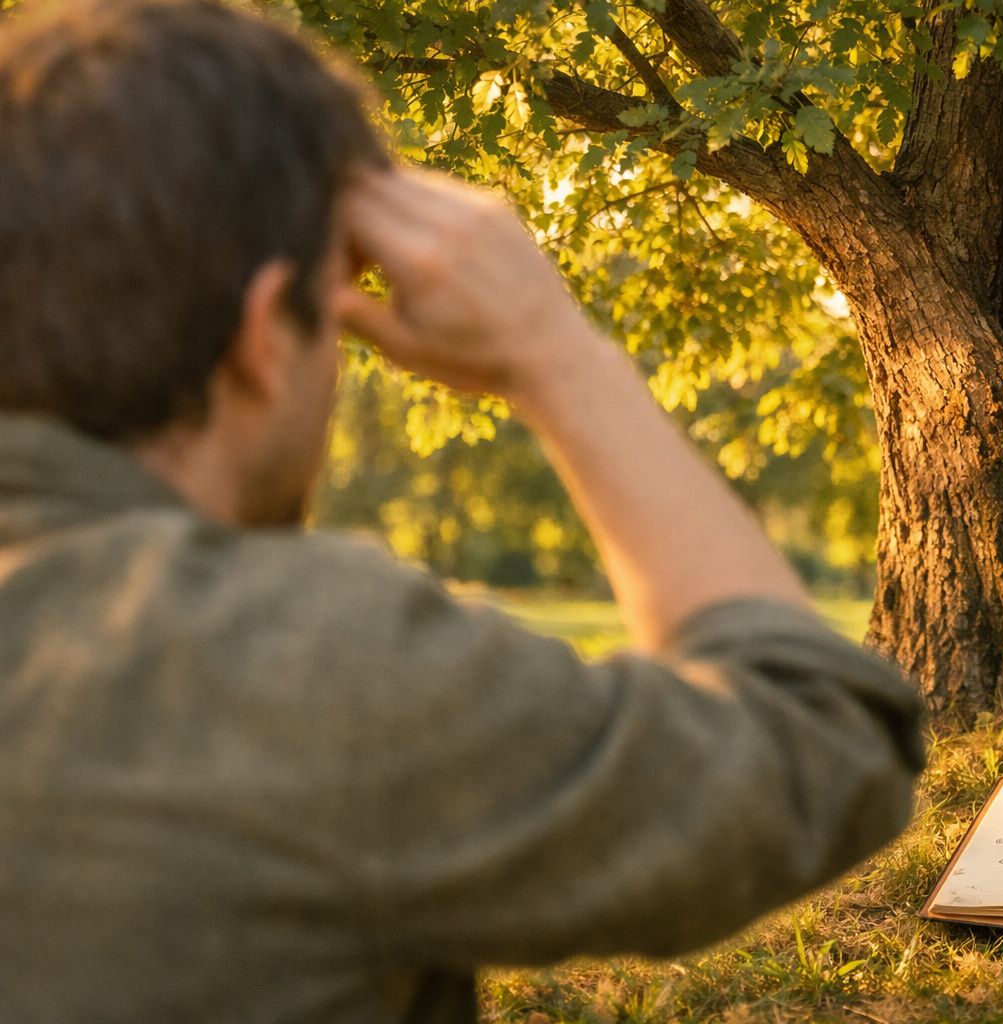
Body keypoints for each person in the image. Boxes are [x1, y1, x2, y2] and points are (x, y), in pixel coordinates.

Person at [0, 0, 924, 1018]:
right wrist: (553, 353)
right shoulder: (286, 664)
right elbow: (822, 742)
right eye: (336, 316)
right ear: (263, 335)